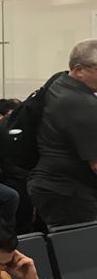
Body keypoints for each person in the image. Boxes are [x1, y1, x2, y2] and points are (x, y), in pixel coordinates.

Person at [29, 39, 97, 228]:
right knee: (82, 244)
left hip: (50, 185)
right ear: (79, 70)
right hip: (69, 190)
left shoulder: (59, 82)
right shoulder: (82, 102)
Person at [0, 98, 33, 233]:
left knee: (32, 179)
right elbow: (12, 151)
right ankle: (16, 229)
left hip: (6, 172)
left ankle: (28, 226)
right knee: (23, 187)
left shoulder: (5, 129)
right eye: (12, 115)